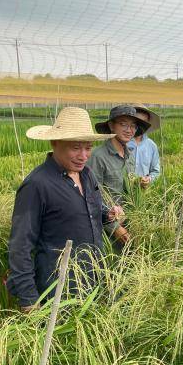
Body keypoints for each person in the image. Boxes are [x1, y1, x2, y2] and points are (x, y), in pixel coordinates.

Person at [6, 107, 118, 313]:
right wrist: (29, 300)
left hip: (92, 280)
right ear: (54, 143)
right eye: (75, 148)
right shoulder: (37, 185)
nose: (83, 156)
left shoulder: (87, 175)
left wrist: (105, 214)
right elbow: (20, 247)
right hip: (58, 292)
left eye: (88, 148)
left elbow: (88, 209)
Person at [88, 105, 150, 246]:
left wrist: (140, 185)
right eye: (123, 124)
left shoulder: (130, 156)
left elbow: (129, 192)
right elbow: (91, 196)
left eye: (133, 126)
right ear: (111, 126)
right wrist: (114, 228)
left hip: (129, 223)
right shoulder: (98, 157)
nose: (129, 130)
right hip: (106, 230)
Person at [127, 105, 161, 188]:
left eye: (144, 122)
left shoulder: (151, 146)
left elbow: (156, 171)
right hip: (123, 192)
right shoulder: (123, 142)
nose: (141, 125)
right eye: (138, 121)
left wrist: (148, 179)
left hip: (143, 192)